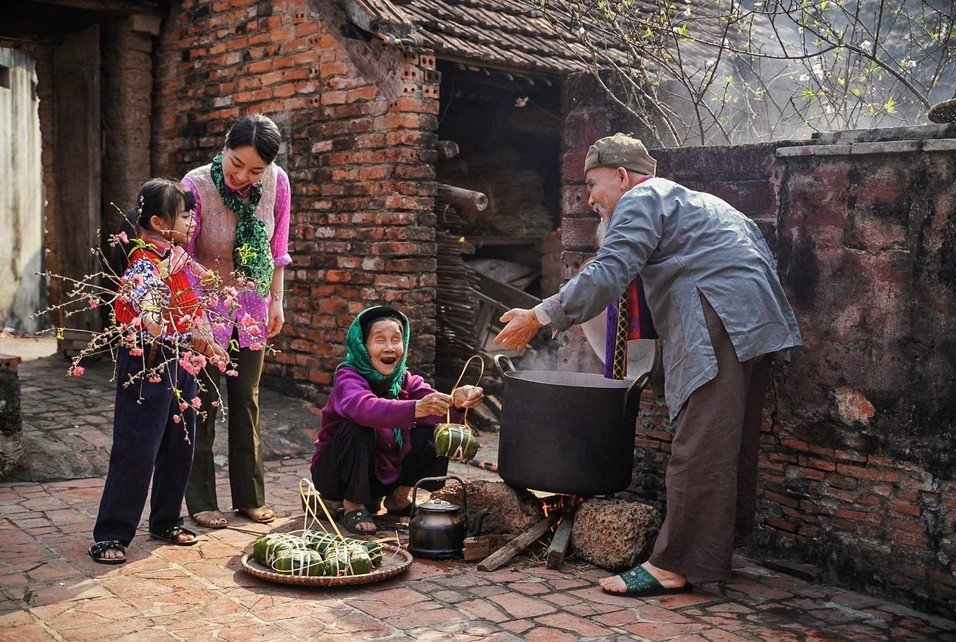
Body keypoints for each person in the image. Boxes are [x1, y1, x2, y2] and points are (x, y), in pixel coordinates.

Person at [494, 133, 802, 596]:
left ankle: (674, 564)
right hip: (757, 324)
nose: (590, 200)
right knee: (728, 442)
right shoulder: (698, 202)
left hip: (718, 318)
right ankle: (715, 549)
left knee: (697, 443)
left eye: (593, 185)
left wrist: (541, 315)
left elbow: (609, 269)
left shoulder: (641, 198)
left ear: (622, 176)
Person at [89, 179, 227, 564]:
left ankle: (166, 520)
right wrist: (185, 329)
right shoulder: (143, 265)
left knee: (180, 443)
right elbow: (152, 321)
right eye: (184, 215)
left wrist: (208, 341)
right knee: (137, 447)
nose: (192, 221)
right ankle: (112, 532)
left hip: (181, 361)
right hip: (147, 361)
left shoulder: (177, 259)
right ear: (158, 222)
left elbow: (193, 309)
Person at [182, 114, 292, 528]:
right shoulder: (195, 186)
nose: (243, 176)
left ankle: (250, 497)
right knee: (204, 401)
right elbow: (182, 258)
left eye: (255, 170)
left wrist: (276, 302)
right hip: (203, 308)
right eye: (236, 164)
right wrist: (195, 318)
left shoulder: (277, 183)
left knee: (246, 399)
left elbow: (278, 247)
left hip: (252, 308)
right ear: (224, 147)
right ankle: (201, 501)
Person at [310, 306, 484, 535]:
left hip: (381, 475)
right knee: (356, 427)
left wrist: (458, 402)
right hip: (337, 475)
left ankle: (398, 498)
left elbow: (437, 409)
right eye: (379, 340)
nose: (389, 348)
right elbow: (363, 409)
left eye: (395, 340)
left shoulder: (405, 380)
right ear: (363, 346)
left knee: (434, 432)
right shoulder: (348, 376)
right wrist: (416, 408)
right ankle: (353, 504)